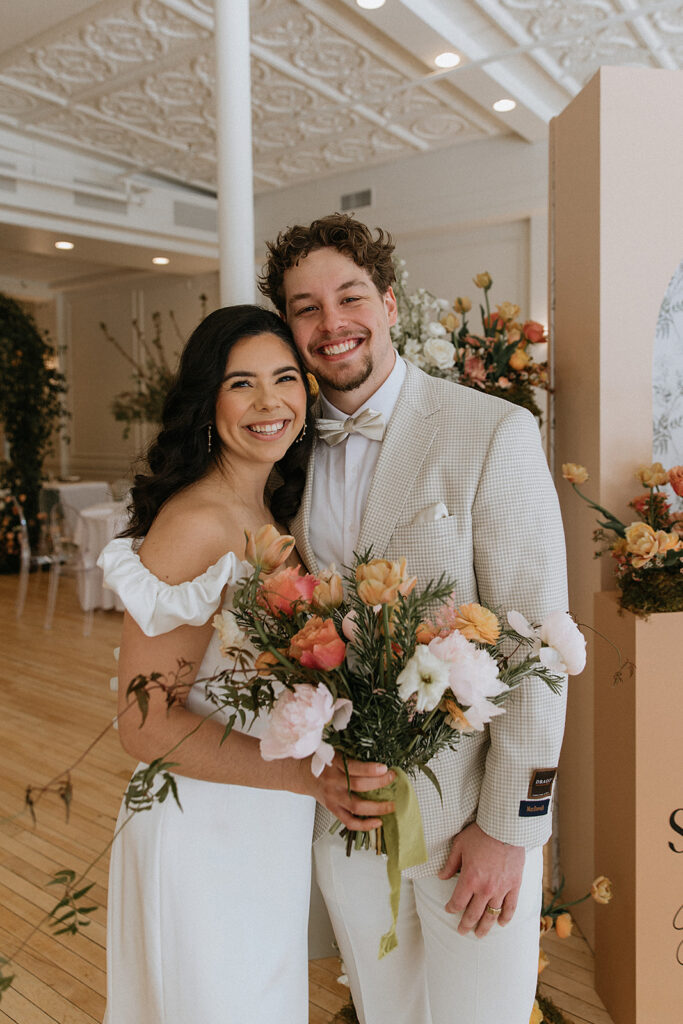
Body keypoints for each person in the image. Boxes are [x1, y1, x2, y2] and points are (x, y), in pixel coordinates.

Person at [259, 215, 569, 1024]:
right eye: (305, 308)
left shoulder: (492, 430)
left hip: (471, 824)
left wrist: (512, 829)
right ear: (288, 327)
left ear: (390, 303)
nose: (332, 324)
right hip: (349, 824)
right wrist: (313, 765)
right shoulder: (280, 451)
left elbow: (537, 644)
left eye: (350, 296)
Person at [96, 305, 394, 1024]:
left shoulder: (273, 514)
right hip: (202, 832)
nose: (270, 402)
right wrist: (304, 775)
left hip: (268, 830)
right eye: (242, 384)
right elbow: (143, 727)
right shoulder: (196, 523)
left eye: (285, 378)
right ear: (208, 401)